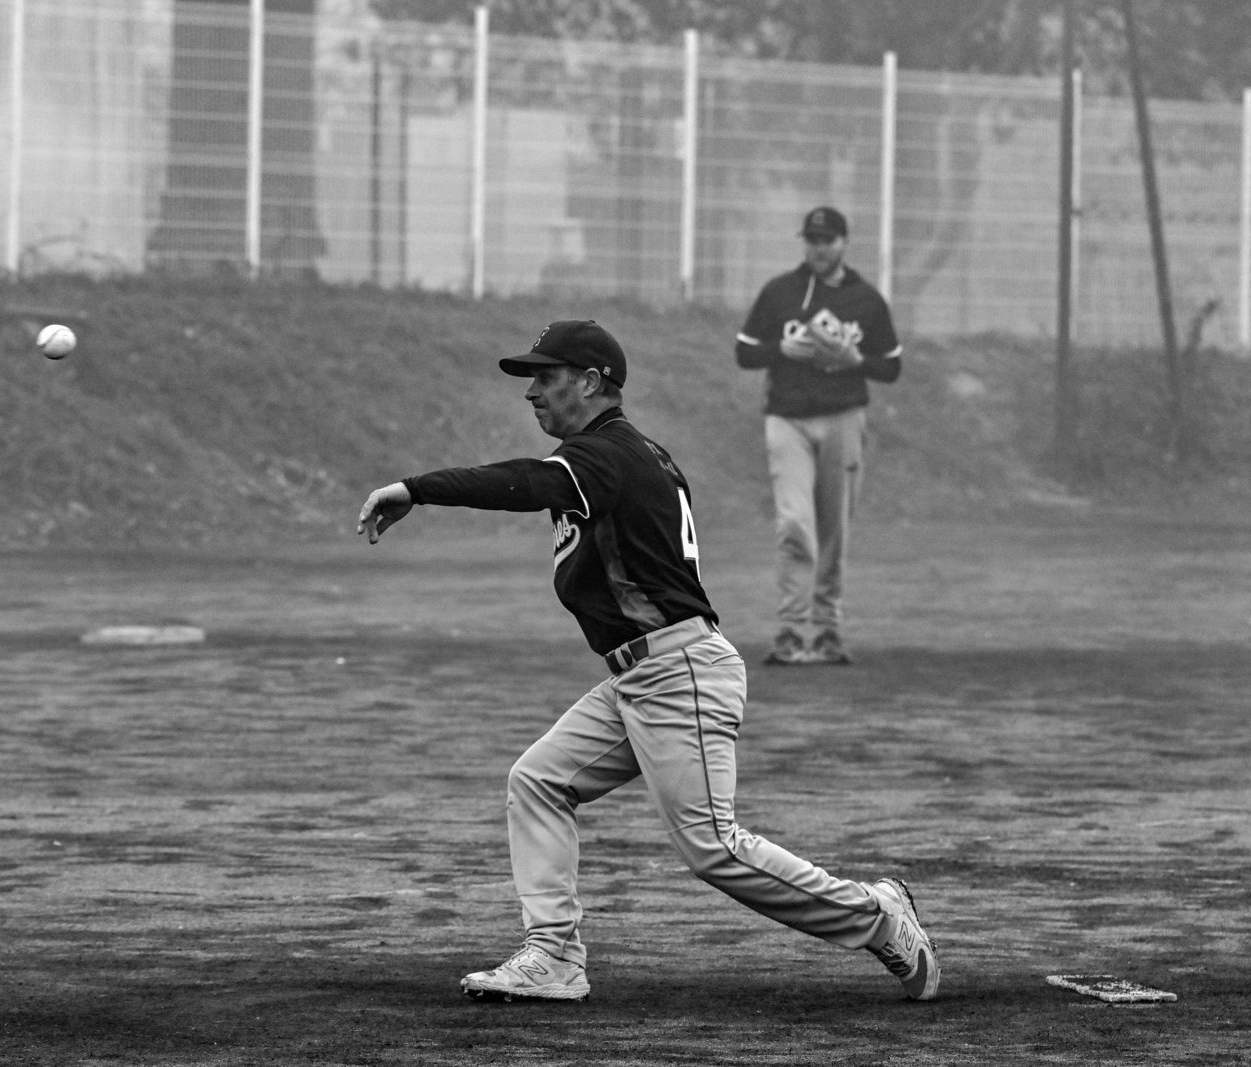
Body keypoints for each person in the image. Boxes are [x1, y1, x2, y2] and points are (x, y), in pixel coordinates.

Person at [356, 319, 938, 1003]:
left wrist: (416, 488)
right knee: (539, 780)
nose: (533, 391)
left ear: (593, 381)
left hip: (677, 669)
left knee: (713, 847)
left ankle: (877, 915)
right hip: (644, 673)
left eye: (546, 376)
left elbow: (522, 481)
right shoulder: (621, 457)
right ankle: (553, 955)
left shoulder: (607, 455)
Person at [734, 206, 902, 666]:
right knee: (794, 523)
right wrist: (780, 349)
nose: (818, 247)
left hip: (845, 417)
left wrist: (856, 362)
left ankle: (827, 630)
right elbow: (744, 353)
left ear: (844, 243)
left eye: (827, 240)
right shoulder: (780, 292)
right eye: (811, 239)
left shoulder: (866, 300)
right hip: (787, 419)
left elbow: (891, 365)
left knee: (834, 528)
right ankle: (790, 629)